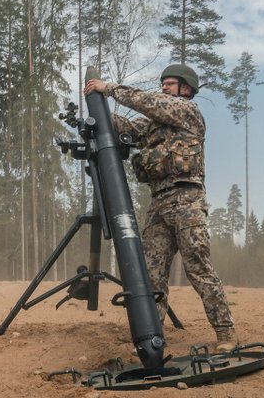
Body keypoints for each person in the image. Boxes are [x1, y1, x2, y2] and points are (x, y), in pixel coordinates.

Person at [84, 64, 238, 352]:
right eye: (164, 83)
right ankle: (153, 337)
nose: (164, 87)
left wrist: (111, 89)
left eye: (171, 84)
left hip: (187, 200)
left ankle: (226, 332)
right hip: (158, 202)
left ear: (187, 89)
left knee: (198, 267)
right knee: (151, 274)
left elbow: (150, 102)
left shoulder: (188, 113)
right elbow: (128, 128)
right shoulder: (155, 124)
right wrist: (97, 112)